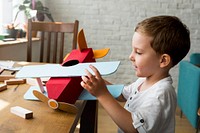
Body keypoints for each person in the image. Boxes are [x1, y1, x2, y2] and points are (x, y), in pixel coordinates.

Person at [80, 15, 190, 133]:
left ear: (163, 60)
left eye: (138, 52)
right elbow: (123, 95)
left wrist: (102, 94)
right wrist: (99, 83)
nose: (131, 56)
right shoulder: (144, 81)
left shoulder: (161, 94)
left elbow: (134, 129)